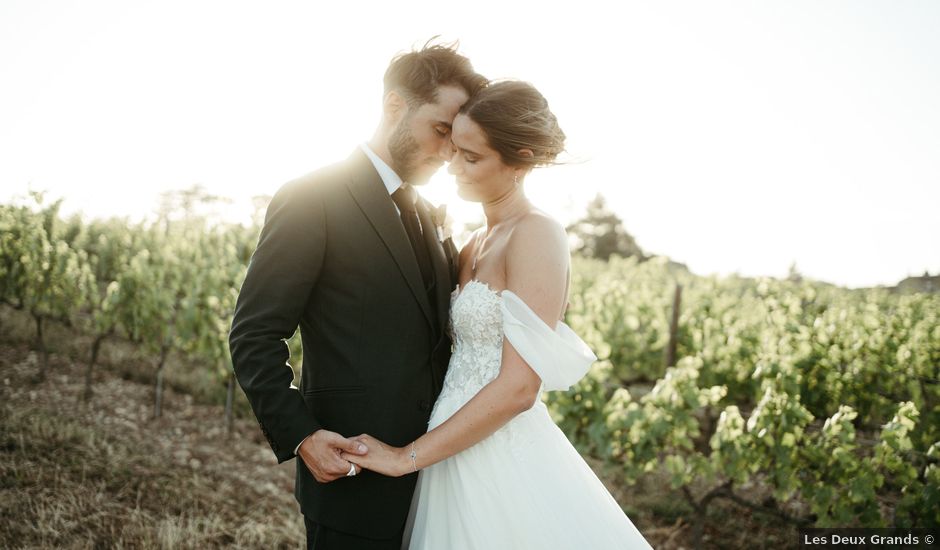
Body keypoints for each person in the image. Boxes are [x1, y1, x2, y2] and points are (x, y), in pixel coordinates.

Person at [341, 81, 653, 549]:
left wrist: (406, 457)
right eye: (454, 150)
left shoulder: (537, 234)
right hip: (449, 451)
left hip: (497, 457)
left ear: (519, 160)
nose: (453, 167)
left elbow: (519, 387)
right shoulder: (472, 242)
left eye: (472, 158)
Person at [228, 41, 487, 549]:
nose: (447, 151)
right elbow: (254, 334)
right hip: (352, 478)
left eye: (456, 141)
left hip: (435, 480)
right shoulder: (312, 198)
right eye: (440, 130)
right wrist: (302, 435)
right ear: (394, 105)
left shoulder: (427, 213)